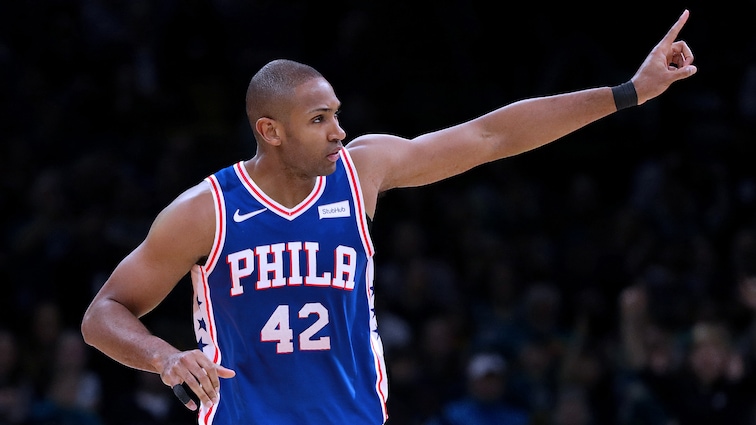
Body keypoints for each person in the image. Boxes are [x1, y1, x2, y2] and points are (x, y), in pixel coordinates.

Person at [80, 10, 697, 425]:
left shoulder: (361, 171)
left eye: (335, 113)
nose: (338, 131)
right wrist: (163, 356)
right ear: (270, 131)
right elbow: (103, 313)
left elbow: (491, 136)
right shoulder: (206, 210)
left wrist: (628, 93)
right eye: (318, 120)